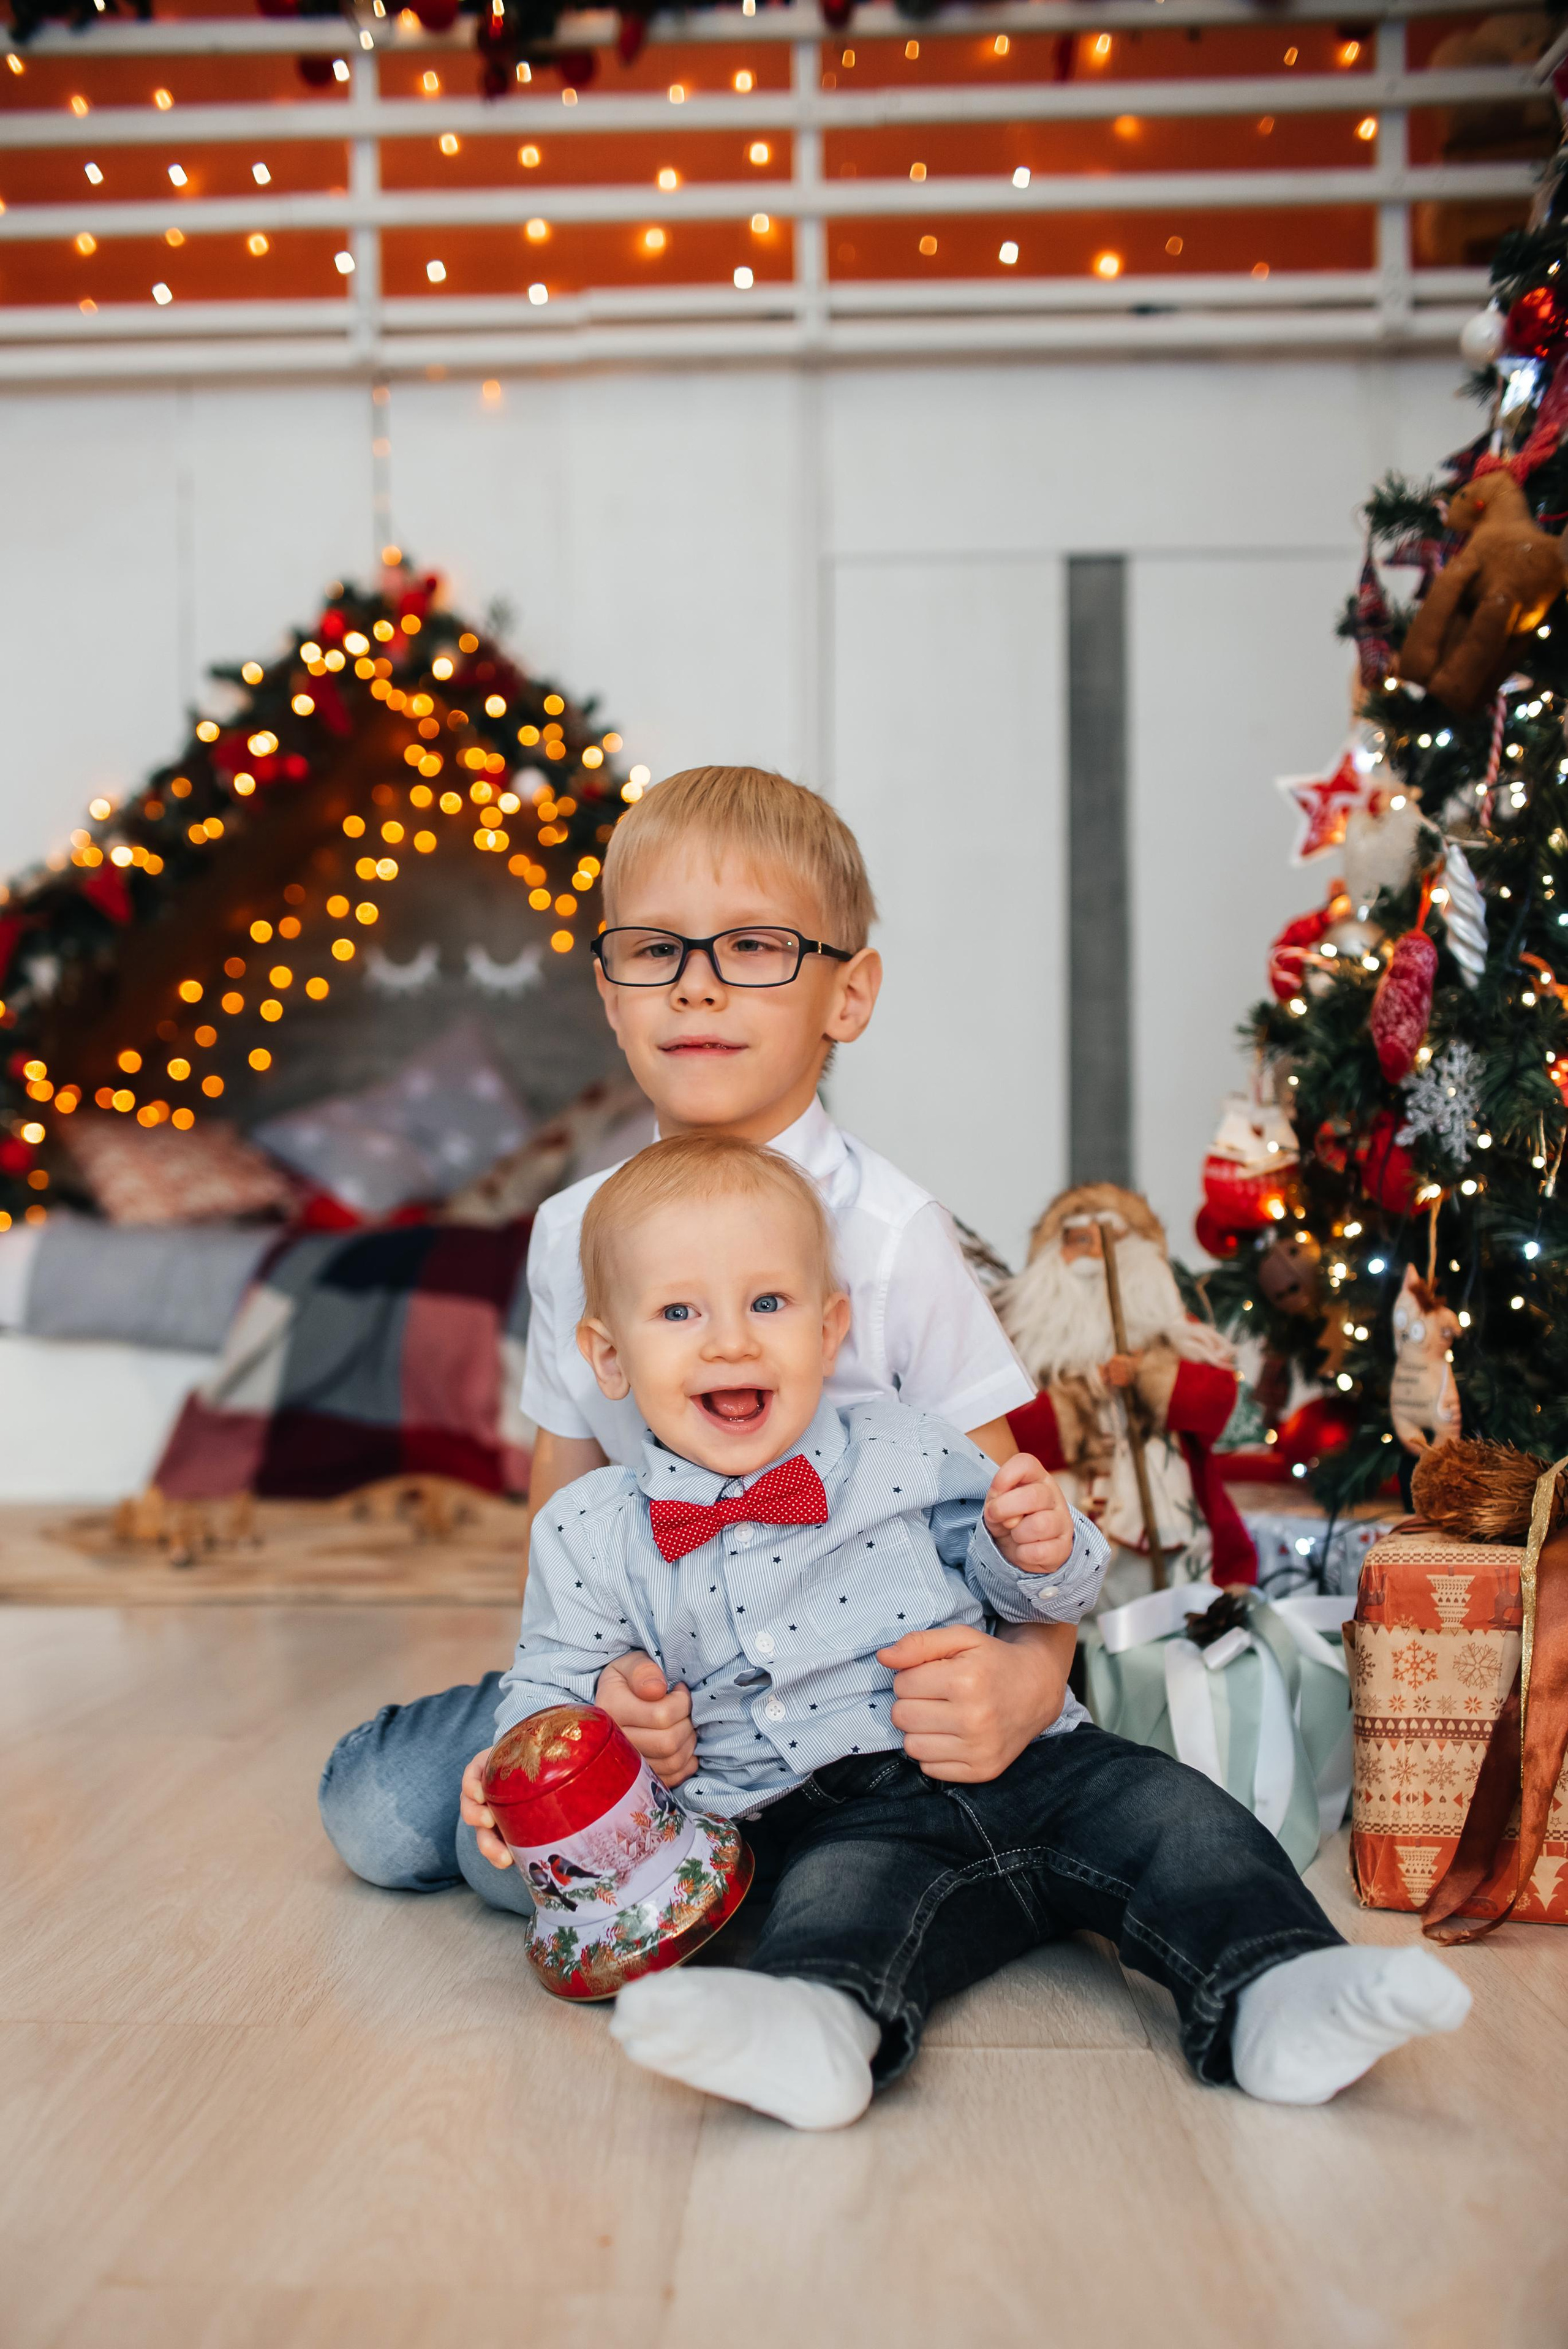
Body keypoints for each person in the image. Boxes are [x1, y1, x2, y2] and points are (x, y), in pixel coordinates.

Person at [492, 1133, 1471, 2130]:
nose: (731, 1341)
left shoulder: (905, 1442)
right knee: (839, 1899)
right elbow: (543, 1685)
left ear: (831, 1330)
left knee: (1178, 1813)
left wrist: (1039, 1545)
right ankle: (819, 2023)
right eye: (678, 1311)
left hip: (1034, 1754)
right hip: (822, 1809)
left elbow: (1037, 1591)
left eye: (769, 1302)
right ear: (608, 1354)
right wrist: (556, 1748)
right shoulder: (592, 1527)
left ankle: (1280, 1986)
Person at [320, 766, 1068, 1904]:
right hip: (663, 1667)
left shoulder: (889, 1233)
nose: (699, 989)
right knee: (376, 1811)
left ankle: (725, 1857)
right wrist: (587, 1688)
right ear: (610, 994)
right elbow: (565, 1484)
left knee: (546, 1865)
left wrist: (1027, 1680)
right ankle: (672, 1839)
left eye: (756, 947)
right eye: (657, 950)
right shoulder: (575, 1230)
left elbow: (1018, 1499)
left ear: (848, 995)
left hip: (851, 1691)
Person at [997, 1182, 1258, 1589]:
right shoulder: (1022, 1349)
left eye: (1109, 1241)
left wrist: (1147, 1377)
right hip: (1062, 1520)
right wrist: (1078, 1397)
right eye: (1078, 1241)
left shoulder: (1174, 1335)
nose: (1094, 1255)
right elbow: (1007, 1437)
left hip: (1163, 1518)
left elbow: (1216, 1403)